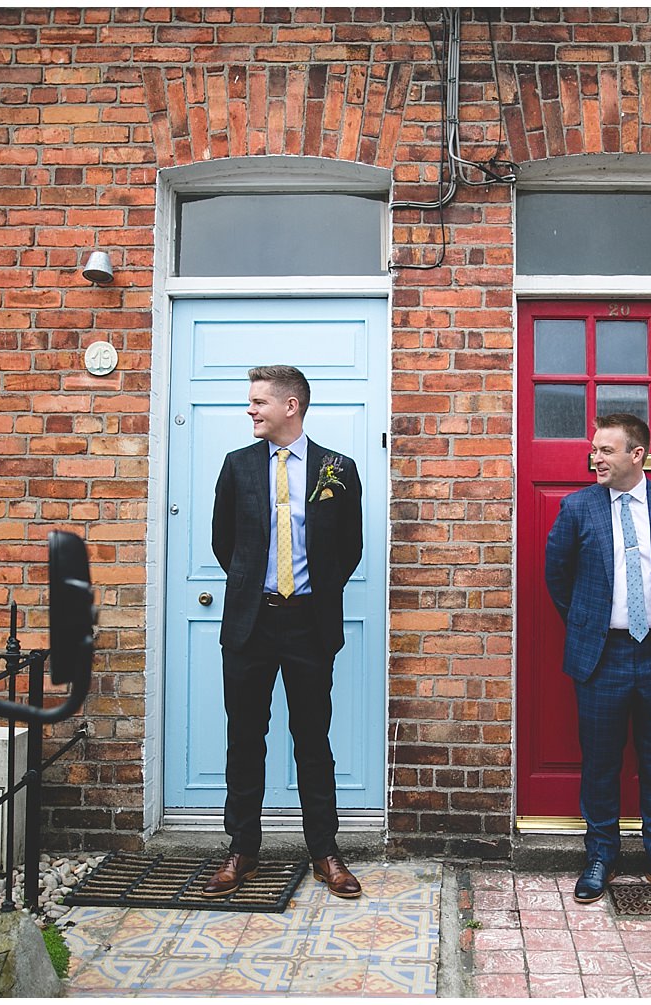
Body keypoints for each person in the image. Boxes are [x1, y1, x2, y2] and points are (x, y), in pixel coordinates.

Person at [203, 365, 365, 900]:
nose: (250, 410)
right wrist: (257, 587)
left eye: (258, 402)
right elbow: (223, 543)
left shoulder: (338, 469)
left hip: (309, 625)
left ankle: (325, 851)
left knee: (312, 741)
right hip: (250, 623)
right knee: (244, 739)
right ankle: (241, 848)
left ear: (290, 406)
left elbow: (349, 549)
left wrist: (312, 594)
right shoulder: (237, 466)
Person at [544, 412, 651, 905]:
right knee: (600, 762)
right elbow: (558, 578)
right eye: (593, 449)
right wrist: (590, 623)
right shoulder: (577, 508)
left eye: (605, 450)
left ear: (636, 455)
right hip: (602, 654)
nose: (594, 457)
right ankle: (601, 857)